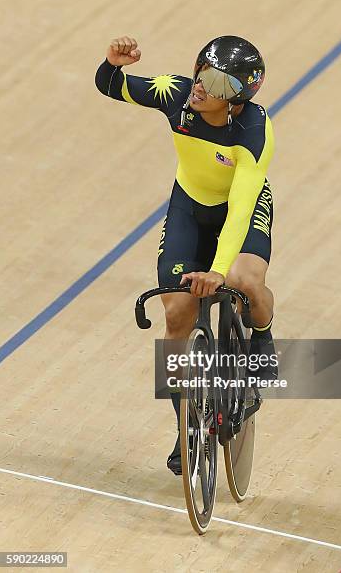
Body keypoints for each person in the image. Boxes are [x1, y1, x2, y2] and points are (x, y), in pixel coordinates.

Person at [95, 35, 276, 475]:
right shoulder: (176, 94)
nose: (200, 84)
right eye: (201, 70)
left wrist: (216, 270)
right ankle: (186, 425)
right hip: (189, 207)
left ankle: (263, 337)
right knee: (177, 314)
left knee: (244, 281)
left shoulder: (252, 131)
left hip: (241, 209)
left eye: (215, 81)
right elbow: (110, 85)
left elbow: (238, 211)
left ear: (236, 98)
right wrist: (113, 64)